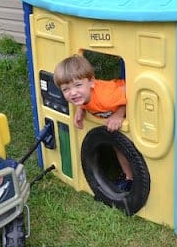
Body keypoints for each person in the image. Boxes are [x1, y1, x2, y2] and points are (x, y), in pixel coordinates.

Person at [53, 54, 133, 191]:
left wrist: (118, 115)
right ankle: (128, 178)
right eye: (66, 89)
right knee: (118, 146)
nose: (72, 93)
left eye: (78, 85)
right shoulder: (81, 96)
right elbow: (83, 100)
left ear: (92, 82)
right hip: (109, 106)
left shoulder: (106, 98)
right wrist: (80, 109)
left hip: (123, 98)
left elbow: (129, 93)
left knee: (127, 147)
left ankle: (130, 178)